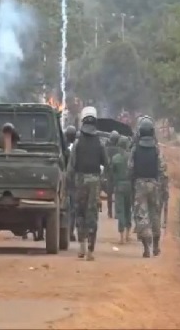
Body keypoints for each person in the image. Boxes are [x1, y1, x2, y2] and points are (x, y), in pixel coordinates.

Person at [67, 106, 108, 261]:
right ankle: (91, 250)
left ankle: (82, 246)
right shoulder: (100, 142)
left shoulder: (77, 143)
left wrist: (68, 183)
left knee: (80, 213)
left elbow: (71, 166)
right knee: (92, 215)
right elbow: (106, 163)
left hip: (80, 181)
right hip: (95, 182)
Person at [128, 116, 168, 258]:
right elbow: (162, 168)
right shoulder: (157, 149)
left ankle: (146, 248)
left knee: (141, 215)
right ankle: (156, 246)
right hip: (155, 184)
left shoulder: (135, 148)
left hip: (139, 184)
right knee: (155, 214)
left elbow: (130, 167)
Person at [111, 136, 133, 244]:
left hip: (119, 186)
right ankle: (128, 233)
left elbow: (112, 174)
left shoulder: (115, 158)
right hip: (130, 186)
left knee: (121, 211)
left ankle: (122, 236)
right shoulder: (131, 158)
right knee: (128, 209)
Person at [64, 125, 77, 241]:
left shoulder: (63, 148)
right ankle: (70, 232)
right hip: (72, 181)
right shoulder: (75, 147)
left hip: (64, 180)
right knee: (72, 209)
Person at [104, 130, 120, 219]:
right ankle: (117, 213)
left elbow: (106, 162)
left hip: (109, 173)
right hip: (117, 173)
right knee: (117, 194)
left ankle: (110, 212)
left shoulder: (107, 148)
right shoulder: (119, 149)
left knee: (109, 194)